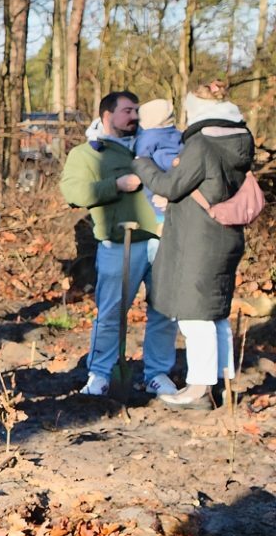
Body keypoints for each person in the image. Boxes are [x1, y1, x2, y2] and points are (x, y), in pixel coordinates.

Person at [135, 85, 257, 411]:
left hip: (198, 240)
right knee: (216, 313)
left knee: (194, 315)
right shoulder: (240, 139)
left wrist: (143, 163)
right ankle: (223, 384)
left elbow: (171, 185)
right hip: (226, 234)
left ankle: (199, 389)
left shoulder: (202, 143)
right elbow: (210, 184)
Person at [60, 91, 176, 398]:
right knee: (111, 312)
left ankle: (158, 373)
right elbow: (73, 192)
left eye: (137, 110)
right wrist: (115, 185)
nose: (135, 116)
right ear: (107, 116)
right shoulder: (88, 154)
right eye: (128, 111)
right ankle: (100, 374)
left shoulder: (152, 143)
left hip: (162, 239)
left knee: (164, 310)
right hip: (117, 244)